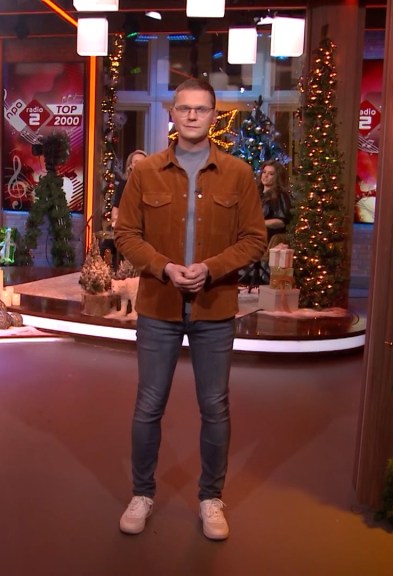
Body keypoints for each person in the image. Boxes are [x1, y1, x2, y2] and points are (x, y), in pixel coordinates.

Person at [114, 79, 266, 541]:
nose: (193, 116)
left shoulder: (238, 173)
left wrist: (210, 268)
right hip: (159, 306)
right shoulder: (146, 172)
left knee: (215, 407)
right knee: (148, 405)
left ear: (214, 116)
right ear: (173, 115)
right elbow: (126, 234)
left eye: (201, 109)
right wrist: (163, 267)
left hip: (214, 308)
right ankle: (142, 494)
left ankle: (210, 498)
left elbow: (255, 239)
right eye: (185, 108)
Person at [111, 149, 148, 229]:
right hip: (128, 227)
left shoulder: (152, 185)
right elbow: (116, 207)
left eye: (143, 162)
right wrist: (115, 220)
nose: (139, 165)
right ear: (130, 165)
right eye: (136, 162)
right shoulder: (123, 185)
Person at [259, 160, 293, 246]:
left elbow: (281, 222)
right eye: (264, 172)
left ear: (277, 177)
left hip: (268, 239)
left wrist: (258, 223)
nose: (265, 176)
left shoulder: (281, 195)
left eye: (271, 174)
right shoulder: (255, 193)